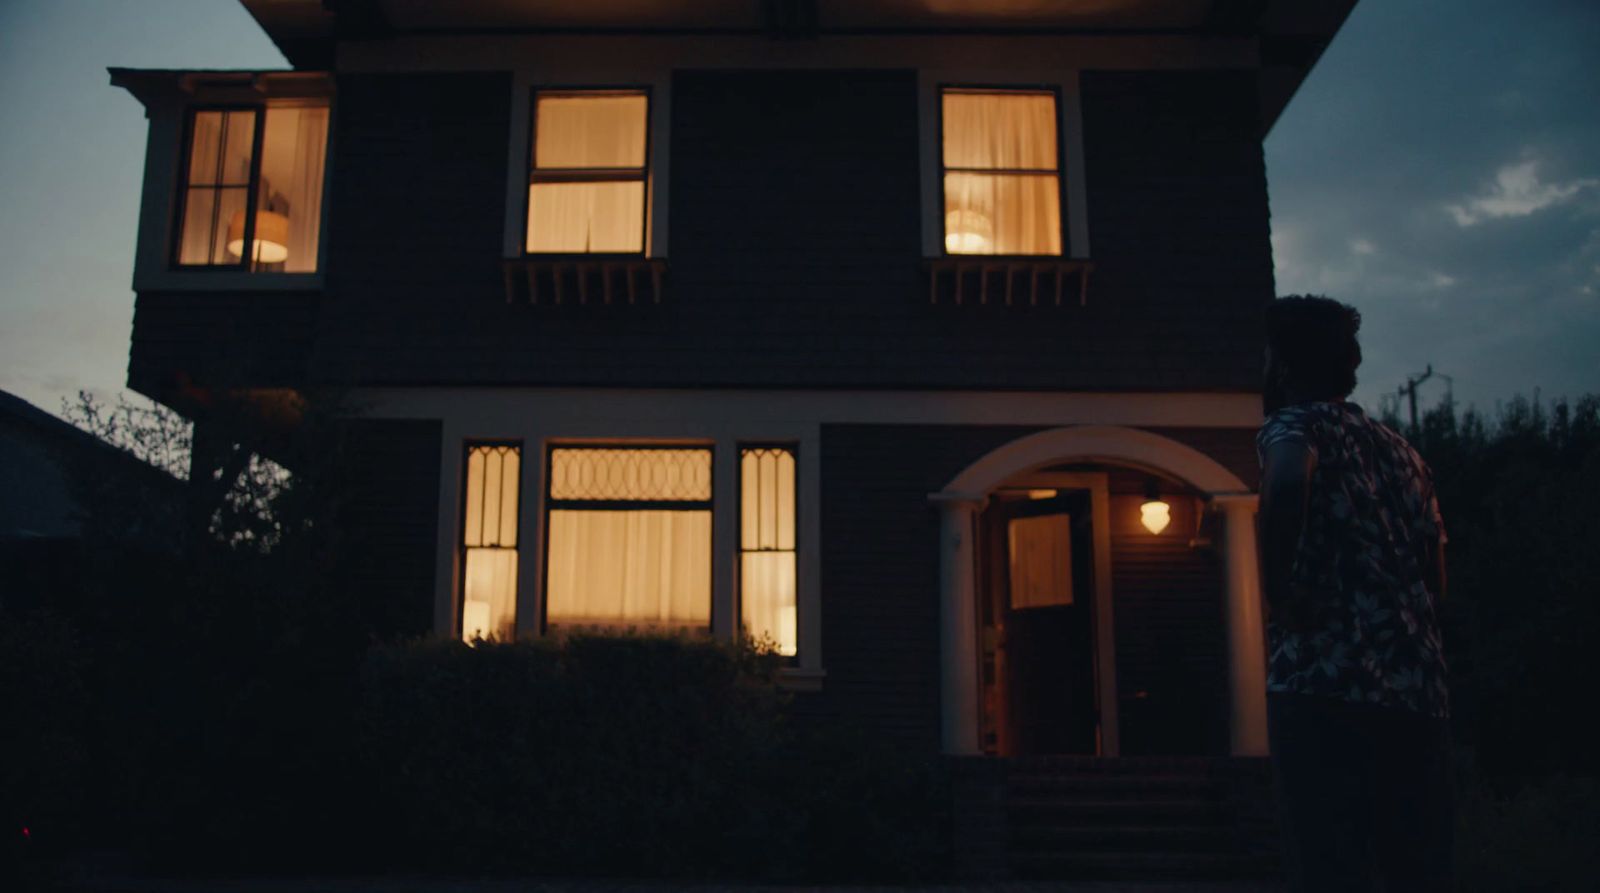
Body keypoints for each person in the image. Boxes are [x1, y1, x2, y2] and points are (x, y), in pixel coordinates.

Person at [1256, 295, 1455, 892]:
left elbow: (1290, 480)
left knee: (1328, 861)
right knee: (1412, 865)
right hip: (1416, 691)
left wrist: (1280, 594)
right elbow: (1435, 558)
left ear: (1284, 367)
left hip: (1324, 682)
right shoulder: (1403, 452)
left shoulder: (1294, 427)